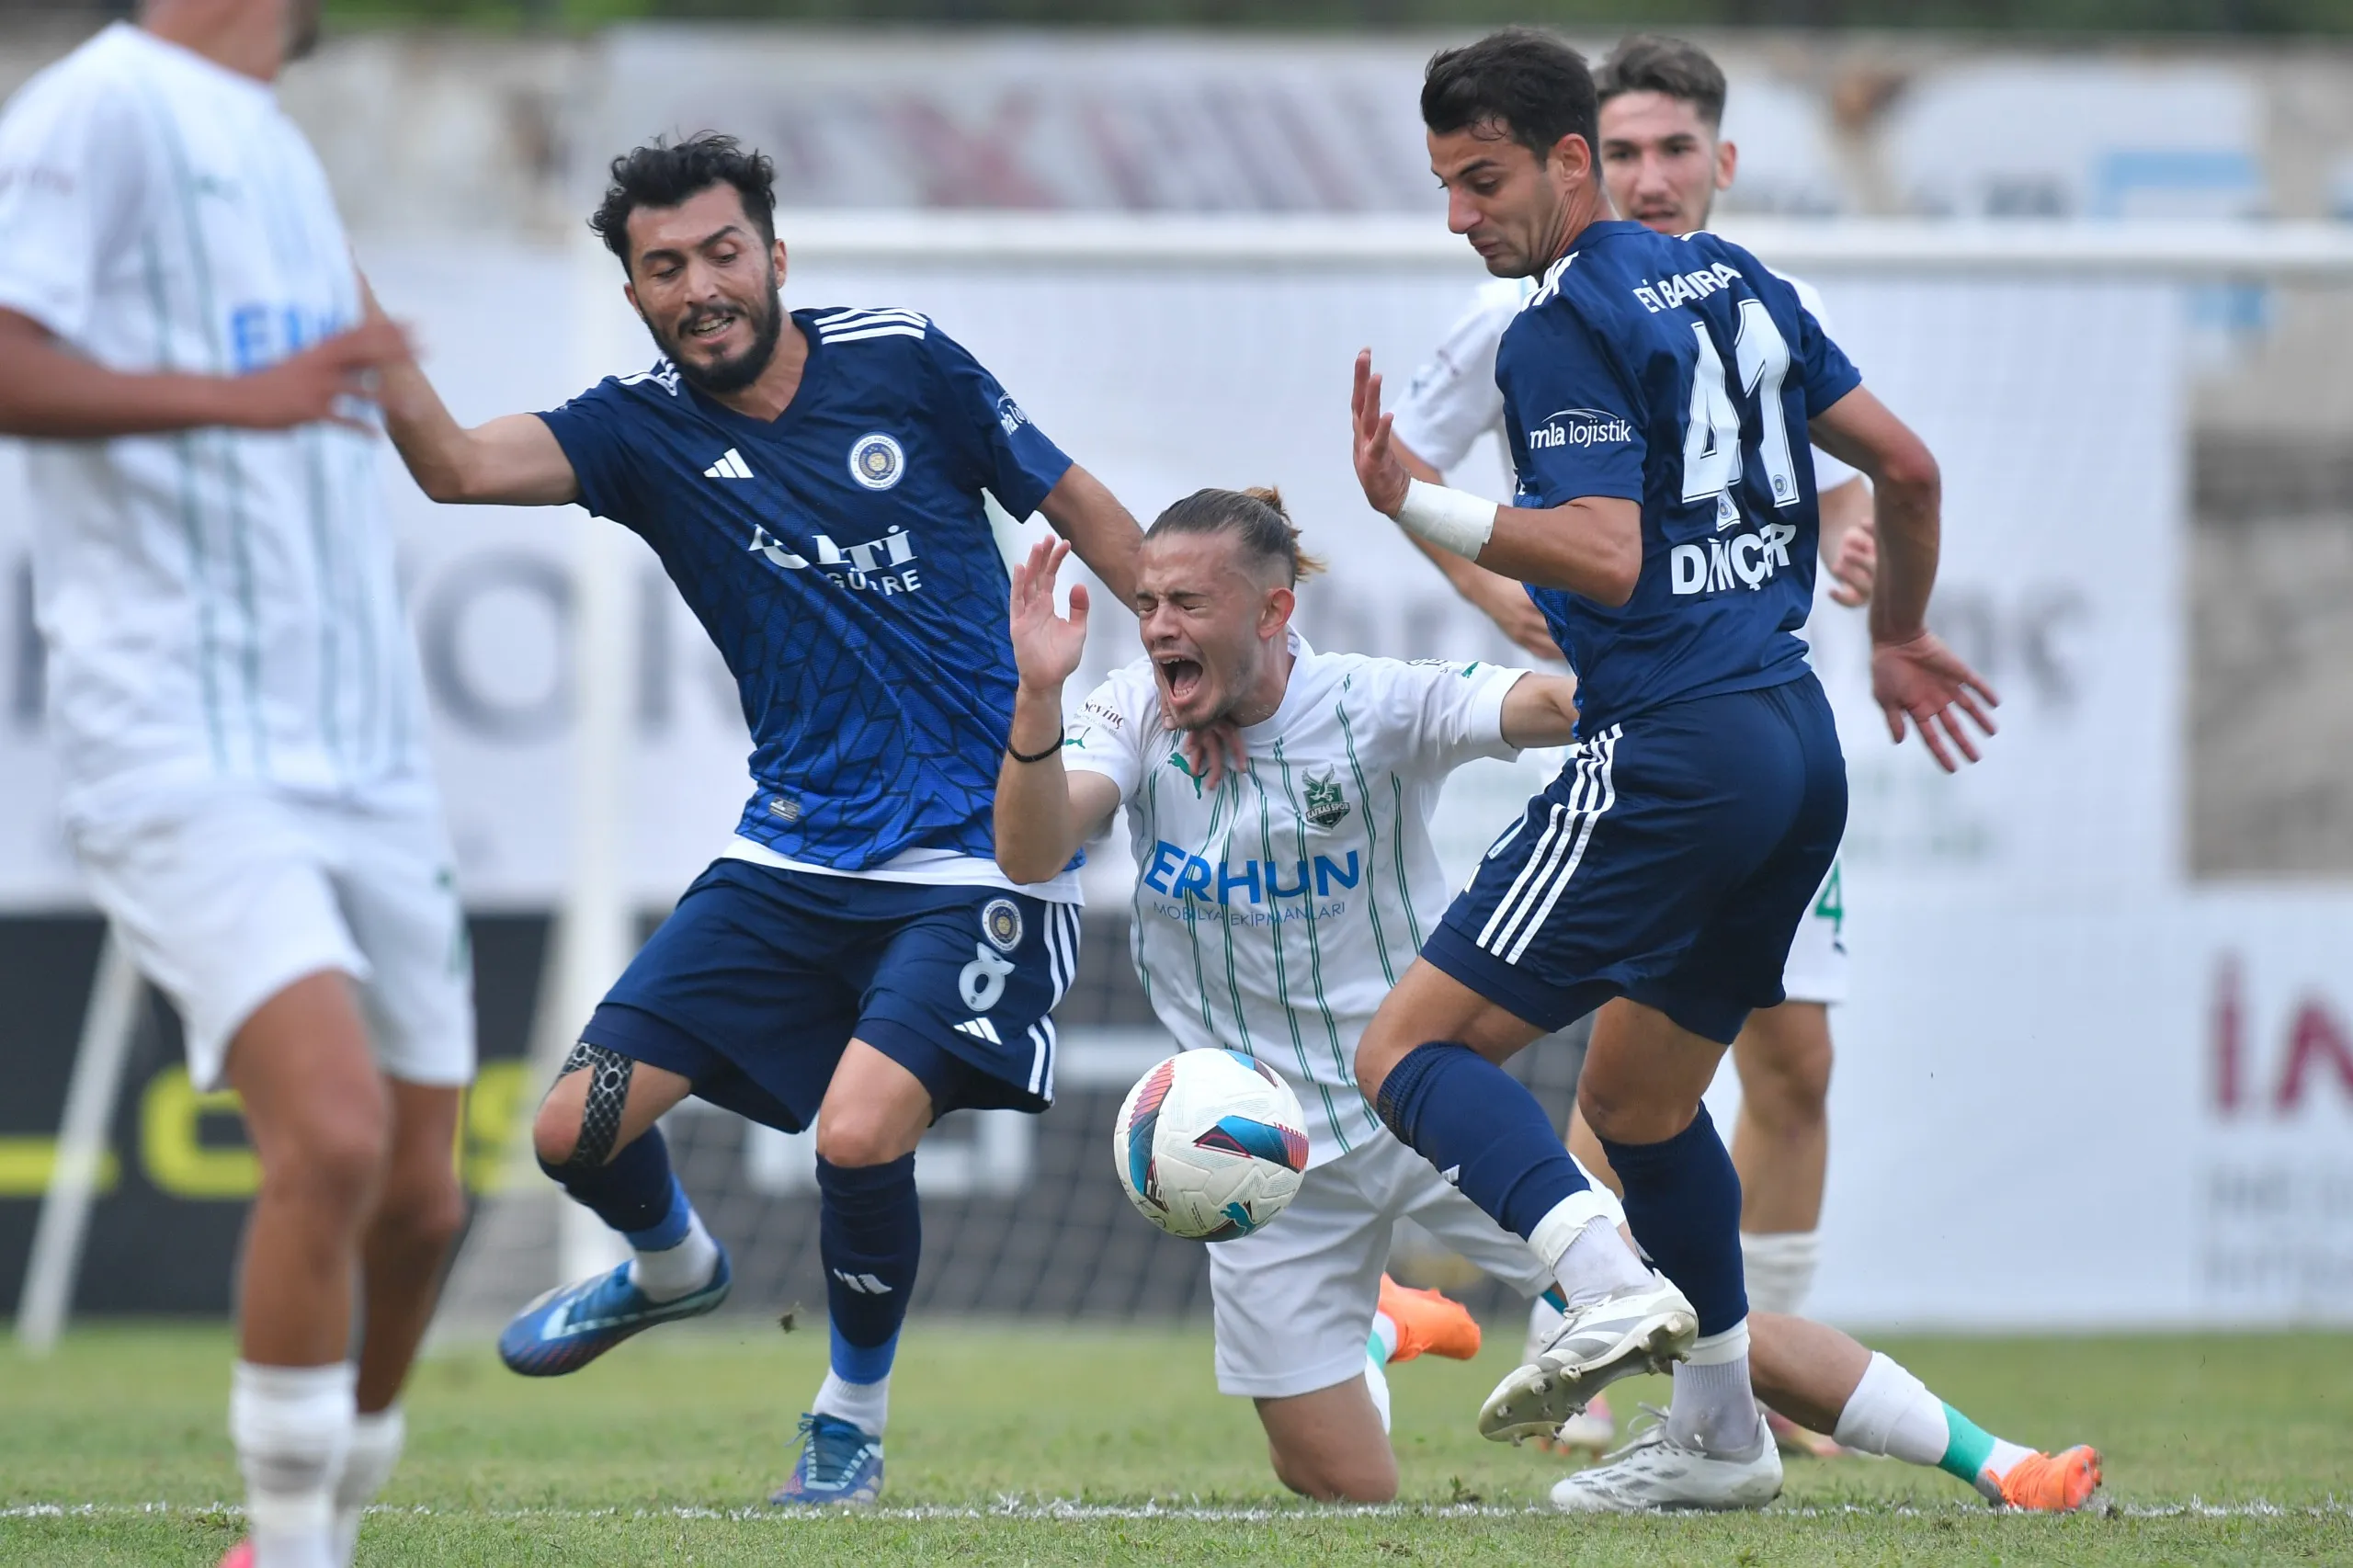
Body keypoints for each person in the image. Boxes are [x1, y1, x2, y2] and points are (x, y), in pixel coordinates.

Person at [992, 494, 2093, 1511]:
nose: (1158, 626)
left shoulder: (1366, 703)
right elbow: (1033, 841)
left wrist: (1685, 706)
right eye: (1147, 603)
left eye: (1188, 601)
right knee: (1340, 1488)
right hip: (1257, 1152)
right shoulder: (1129, 712)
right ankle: (1375, 1325)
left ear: (1274, 609)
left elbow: (1543, 703)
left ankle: (2002, 1462)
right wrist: (1037, 694)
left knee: (1702, 1323)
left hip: (1423, 1105)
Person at [370, 132, 1145, 1507]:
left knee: (856, 1133)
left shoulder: (903, 357)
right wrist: (358, 332)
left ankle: (847, 1416)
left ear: (775, 258)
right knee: (571, 1134)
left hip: (982, 852)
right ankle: (674, 1265)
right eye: (665, 268)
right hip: (790, 855)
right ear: (637, 295)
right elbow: (452, 467)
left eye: (724, 254)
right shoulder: (636, 427)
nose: (701, 285)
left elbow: (1085, 510)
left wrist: (1197, 653)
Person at [1347, 28, 2005, 1511]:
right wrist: (1895, 636)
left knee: (1406, 1054)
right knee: (1641, 1105)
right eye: (1446, 186)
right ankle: (1718, 1427)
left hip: (1670, 746)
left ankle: (1592, 1275)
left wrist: (1423, 504)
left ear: (1571, 161)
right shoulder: (1747, 284)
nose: (1461, 218)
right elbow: (1907, 470)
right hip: (1795, 745)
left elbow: (1603, 552)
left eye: (1484, 181)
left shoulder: (1555, 325)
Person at [0, 5, 473, 1566]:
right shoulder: (102, 109)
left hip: (370, 756)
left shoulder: (277, 148)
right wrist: (241, 398)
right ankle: (296, 1546)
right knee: (329, 1140)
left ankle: (302, 1529)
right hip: (181, 742)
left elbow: (436, 451)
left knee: (419, 1204)